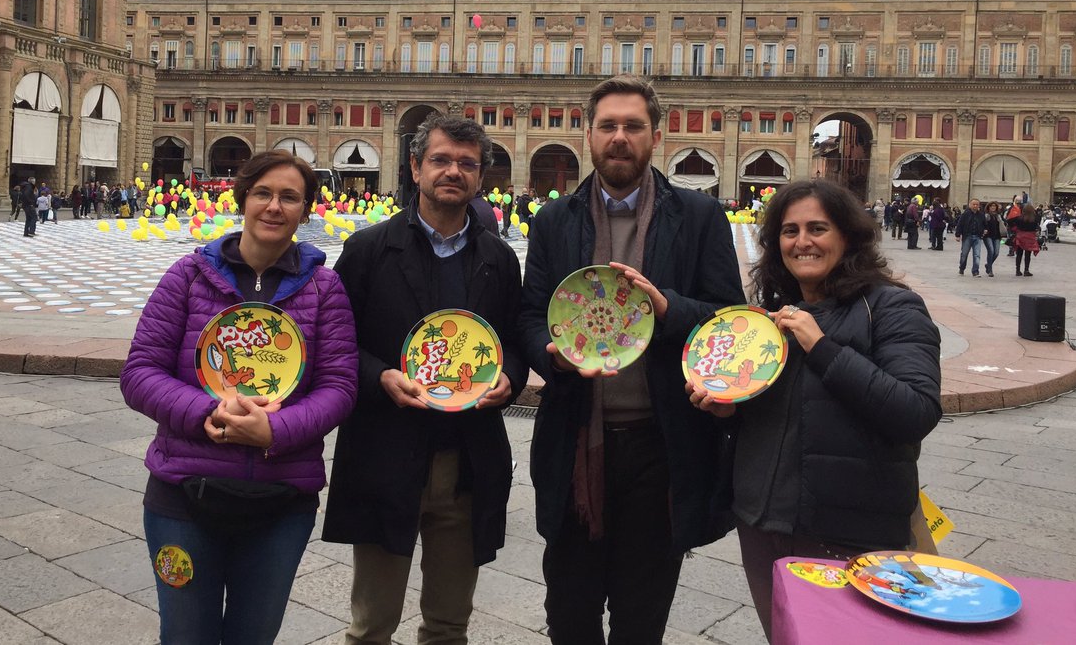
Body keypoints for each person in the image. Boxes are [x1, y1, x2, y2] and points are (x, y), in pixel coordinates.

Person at [519, 75, 743, 644]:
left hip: (660, 446)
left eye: (633, 126)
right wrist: (553, 357)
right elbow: (529, 316)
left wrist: (669, 309)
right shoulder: (553, 220)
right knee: (569, 616)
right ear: (589, 134)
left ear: (656, 136)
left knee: (641, 621)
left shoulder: (699, 216)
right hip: (575, 441)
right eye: (609, 126)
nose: (620, 137)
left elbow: (729, 320)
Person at [120, 150, 357, 644]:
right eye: (263, 193)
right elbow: (140, 372)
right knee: (185, 636)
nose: (274, 206)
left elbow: (339, 386)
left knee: (254, 636)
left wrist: (275, 430)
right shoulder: (187, 277)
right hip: (183, 496)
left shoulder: (325, 288)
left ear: (305, 210)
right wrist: (206, 411)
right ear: (242, 198)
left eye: (289, 197)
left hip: (281, 501)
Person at [689, 178, 941, 640]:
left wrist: (822, 347)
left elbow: (916, 411)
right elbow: (782, 413)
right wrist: (729, 409)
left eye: (817, 228)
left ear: (848, 236)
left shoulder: (892, 307)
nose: (802, 241)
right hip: (761, 523)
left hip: (849, 531)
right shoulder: (771, 317)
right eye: (790, 231)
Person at [323, 114, 525, 644]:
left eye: (467, 164)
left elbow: (513, 343)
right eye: (440, 160)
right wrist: (380, 376)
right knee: (371, 623)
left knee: (449, 623)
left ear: (479, 177)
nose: (453, 171)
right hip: (387, 450)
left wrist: (509, 377)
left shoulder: (500, 259)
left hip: (466, 459)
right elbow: (335, 344)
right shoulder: (368, 249)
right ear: (415, 168)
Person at [955, 198, 984, 276]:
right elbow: (960, 224)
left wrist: (984, 230)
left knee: (977, 254)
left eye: (977, 204)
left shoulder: (981, 215)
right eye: (973, 204)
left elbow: (984, 224)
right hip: (967, 236)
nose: (975, 206)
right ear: (970, 205)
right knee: (964, 254)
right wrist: (958, 235)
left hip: (977, 237)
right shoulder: (965, 214)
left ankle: (975, 271)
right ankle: (962, 268)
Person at [1013, 198, 1040, 276]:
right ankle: (1026, 270)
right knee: (1028, 255)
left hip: (1020, 237)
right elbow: (1036, 228)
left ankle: (1018, 270)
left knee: (1019, 254)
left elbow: (1015, 226)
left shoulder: (1019, 218)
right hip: (1030, 238)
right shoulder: (1034, 219)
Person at [982, 201, 1003, 277]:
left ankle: (988, 264)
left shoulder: (998, 216)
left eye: (994, 206)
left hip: (997, 236)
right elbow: (982, 224)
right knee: (991, 251)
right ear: (988, 207)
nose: (993, 207)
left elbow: (1002, 225)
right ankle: (990, 270)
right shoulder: (986, 216)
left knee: (996, 253)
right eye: (991, 206)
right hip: (988, 236)